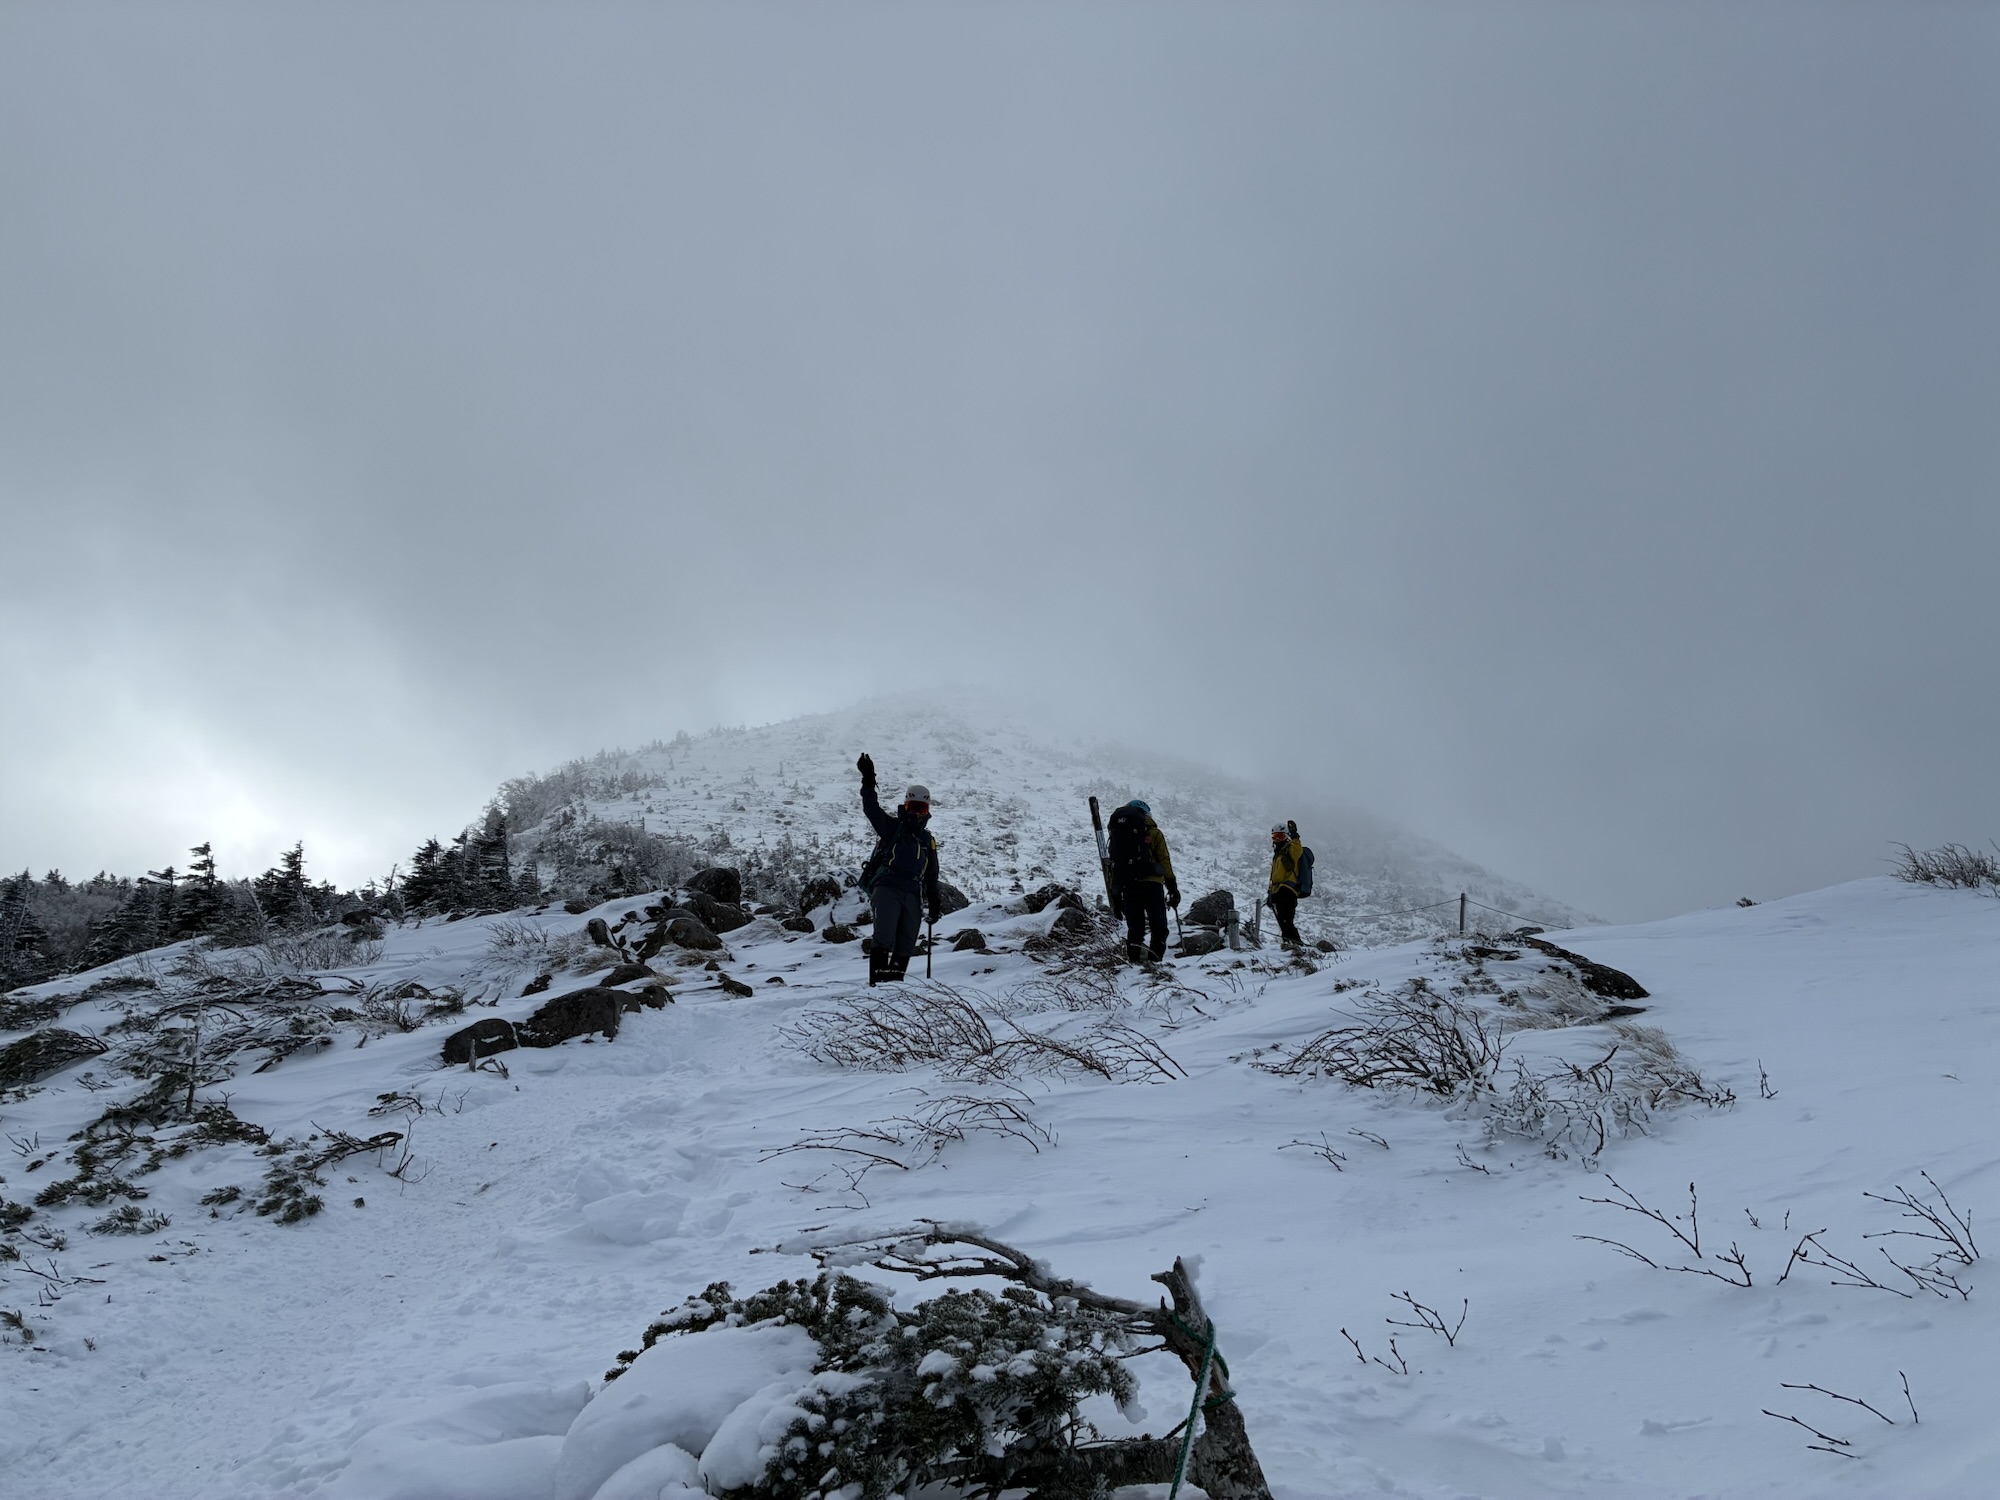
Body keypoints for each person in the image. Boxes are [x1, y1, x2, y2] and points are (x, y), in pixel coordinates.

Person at [856, 753, 942, 983]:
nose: (916, 813)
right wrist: (868, 779)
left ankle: (894, 985)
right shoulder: (892, 827)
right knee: (884, 936)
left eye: (921, 808)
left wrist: (934, 904)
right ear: (905, 806)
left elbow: (931, 875)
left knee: (906, 942)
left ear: (927, 810)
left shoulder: (927, 840)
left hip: (913, 893)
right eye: (913, 807)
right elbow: (871, 809)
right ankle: (878, 985)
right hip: (888, 887)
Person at [1106, 798, 1179, 963]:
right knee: (1159, 926)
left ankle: (1134, 964)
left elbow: (1114, 865)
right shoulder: (1154, 833)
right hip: (1152, 884)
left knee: (1135, 928)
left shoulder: (1117, 835)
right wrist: (1172, 888)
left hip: (1128, 885)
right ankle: (1155, 963)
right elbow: (1164, 860)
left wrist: (1116, 896)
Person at [1267, 820, 1306, 948]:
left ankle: (1296, 945)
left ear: (1286, 836)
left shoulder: (1290, 850)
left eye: (1281, 836)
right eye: (1275, 837)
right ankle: (1289, 944)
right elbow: (1275, 876)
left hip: (1289, 891)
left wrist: (1295, 835)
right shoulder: (1278, 854)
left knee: (1286, 920)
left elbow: (1297, 849)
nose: (1277, 840)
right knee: (1282, 921)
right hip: (1278, 891)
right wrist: (1270, 892)